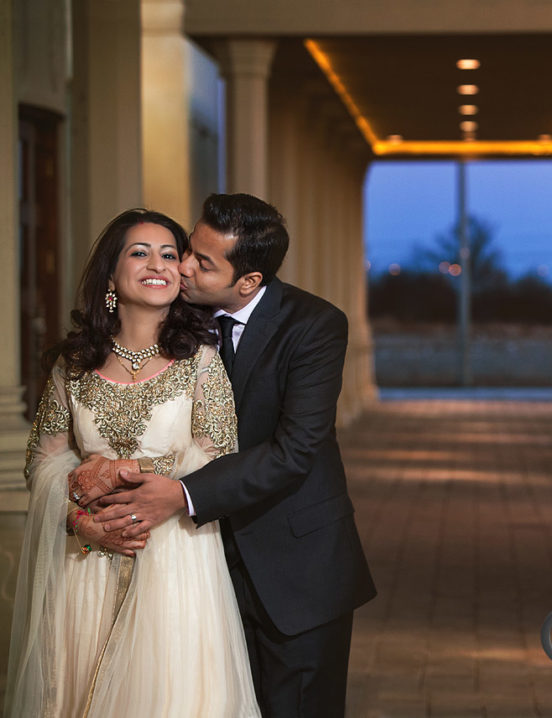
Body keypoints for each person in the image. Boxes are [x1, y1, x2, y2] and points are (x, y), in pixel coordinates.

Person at [70, 193, 377, 717]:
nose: (182, 266)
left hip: (295, 567)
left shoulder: (314, 325)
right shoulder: (174, 313)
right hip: (194, 570)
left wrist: (183, 494)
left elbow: (295, 449)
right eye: (188, 249)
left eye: (201, 262)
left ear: (248, 282)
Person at [5, 209, 260, 717]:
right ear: (111, 275)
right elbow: (41, 462)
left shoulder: (201, 361)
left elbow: (220, 458)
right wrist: (83, 519)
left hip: (173, 558)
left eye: (170, 254)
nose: (158, 264)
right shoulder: (73, 364)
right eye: (139, 252)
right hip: (85, 561)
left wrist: (144, 480)